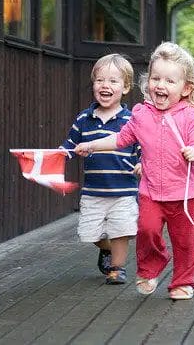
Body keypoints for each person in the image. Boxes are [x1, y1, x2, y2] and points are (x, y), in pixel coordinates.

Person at [75, 42, 194, 300]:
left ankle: (183, 282)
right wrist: (92, 145)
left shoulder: (190, 115)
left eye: (170, 81)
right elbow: (119, 139)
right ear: (148, 82)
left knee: (186, 242)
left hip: (184, 195)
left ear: (185, 88)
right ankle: (150, 269)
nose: (161, 85)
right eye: (156, 78)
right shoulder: (140, 114)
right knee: (146, 230)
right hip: (150, 192)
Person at [60, 53, 141, 285]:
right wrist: (60, 154)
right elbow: (70, 145)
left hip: (124, 190)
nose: (105, 85)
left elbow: (143, 148)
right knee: (89, 234)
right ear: (93, 84)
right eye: (100, 80)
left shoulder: (131, 121)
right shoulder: (84, 119)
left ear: (125, 87)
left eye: (113, 81)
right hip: (93, 192)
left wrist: (141, 163)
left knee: (121, 230)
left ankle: (117, 268)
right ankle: (105, 250)